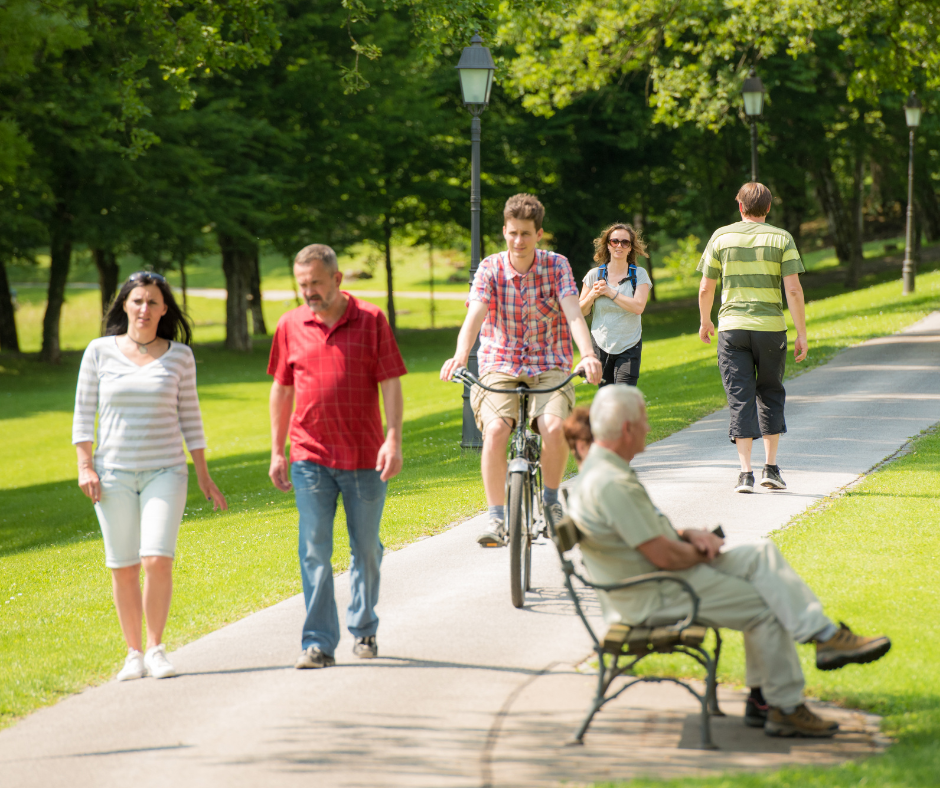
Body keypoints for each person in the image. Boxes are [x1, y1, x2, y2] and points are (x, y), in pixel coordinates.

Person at [567, 385, 891, 738]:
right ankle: (782, 706)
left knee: (759, 554)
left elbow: (642, 535)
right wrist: (700, 550)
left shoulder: (603, 470)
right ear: (627, 429)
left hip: (654, 580)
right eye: (644, 420)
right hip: (652, 594)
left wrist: (689, 534)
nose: (648, 426)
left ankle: (823, 640)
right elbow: (663, 555)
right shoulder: (610, 481)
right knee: (767, 605)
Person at [73, 271, 228, 682]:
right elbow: (83, 412)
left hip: (166, 471)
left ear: (164, 309)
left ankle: (157, 648)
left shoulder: (180, 356)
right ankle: (133, 653)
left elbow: (191, 418)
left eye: (153, 302)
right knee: (122, 566)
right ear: (124, 305)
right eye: (137, 300)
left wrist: (204, 475)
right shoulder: (99, 351)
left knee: (156, 559)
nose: (144, 309)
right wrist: (84, 465)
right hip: (112, 474)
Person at [268, 244, 406, 670]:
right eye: (302, 284)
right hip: (309, 456)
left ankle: (363, 627)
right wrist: (277, 450)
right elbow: (282, 389)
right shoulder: (290, 324)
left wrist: (393, 439)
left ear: (338, 279)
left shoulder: (371, 320)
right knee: (313, 549)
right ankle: (318, 643)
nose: (308, 291)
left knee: (366, 549)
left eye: (316, 283)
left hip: (365, 457)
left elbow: (391, 383)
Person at [440, 193, 602, 547]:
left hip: (550, 362)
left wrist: (588, 354)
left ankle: (550, 501)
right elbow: (475, 315)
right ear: (504, 231)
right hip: (500, 362)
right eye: (512, 233)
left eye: (525, 234)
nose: (518, 241)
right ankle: (496, 517)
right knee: (497, 430)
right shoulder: (490, 268)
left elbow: (574, 313)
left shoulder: (556, 266)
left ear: (538, 234)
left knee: (553, 427)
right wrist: (458, 354)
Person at [697, 182, 808, 493]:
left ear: (740, 207)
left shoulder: (721, 236)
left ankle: (745, 473)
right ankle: (770, 468)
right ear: (768, 208)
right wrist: (801, 333)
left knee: (740, 395)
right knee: (770, 392)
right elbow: (794, 290)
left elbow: (707, 287)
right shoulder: (781, 238)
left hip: (732, 328)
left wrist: (705, 321)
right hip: (771, 328)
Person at [579, 223, 652, 387]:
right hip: (601, 344)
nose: (619, 245)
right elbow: (581, 311)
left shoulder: (639, 274)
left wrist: (609, 292)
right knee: (606, 397)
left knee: (623, 396)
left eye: (625, 242)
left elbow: (638, 307)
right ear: (608, 244)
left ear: (630, 248)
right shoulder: (594, 275)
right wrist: (593, 294)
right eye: (615, 241)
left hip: (629, 344)